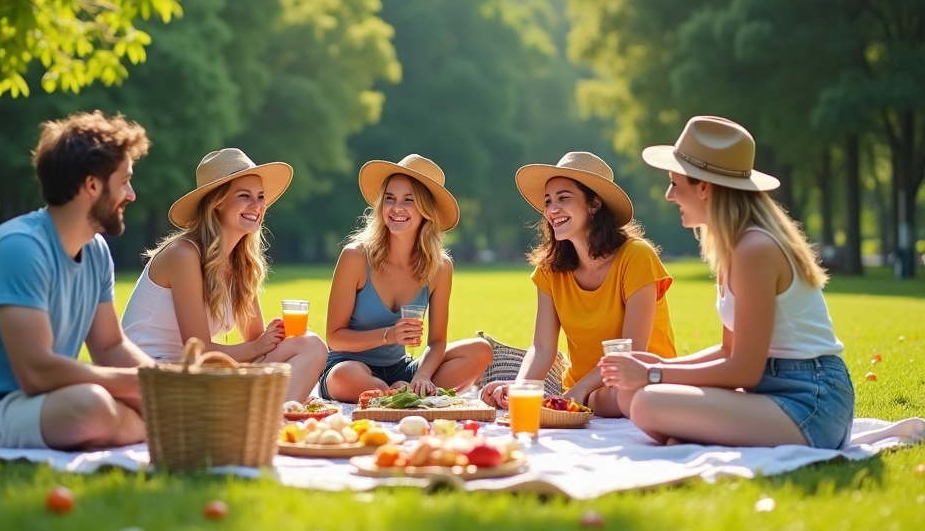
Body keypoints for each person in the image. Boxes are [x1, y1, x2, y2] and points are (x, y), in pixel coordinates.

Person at [600, 116, 854, 448]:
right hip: (768, 390)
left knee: (648, 401)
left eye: (675, 183)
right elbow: (728, 350)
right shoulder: (734, 247)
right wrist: (661, 365)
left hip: (812, 400)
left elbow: (744, 370)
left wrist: (654, 374)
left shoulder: (755, 250)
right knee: (633, 395)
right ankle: (698, 432)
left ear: (704, 188)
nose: (669, 195)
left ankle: (696, 433)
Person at [0, 111, 153, 450]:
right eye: (124, 181)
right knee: (90, 406)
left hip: (44, 403)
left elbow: (110, 346)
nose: (131, 194)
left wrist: (165, 383)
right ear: (92, 184)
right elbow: (36, 372)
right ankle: (153, 428)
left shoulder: (95, 251)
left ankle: (141, 423)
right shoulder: (20, 248)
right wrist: (142, 387)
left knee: (111, 401)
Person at [121, 148, 327, 402]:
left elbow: (257, 344)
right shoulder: (183, 255)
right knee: (279, 372)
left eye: (260, 197)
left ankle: (274, 418)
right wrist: (259, 346)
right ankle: (272, 419)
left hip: (199, 374)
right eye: (244, 196)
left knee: (311, 344)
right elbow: (198, 351)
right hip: (155, 375)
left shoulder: (242, 263)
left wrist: (275, 337)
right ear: (217, 202)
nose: (257, 205)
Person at [481, 152, 677, 416]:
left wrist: (576, 393)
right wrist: (522, 388)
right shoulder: (550, 269)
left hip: (635, 381)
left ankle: (565, 402)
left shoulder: (637, 256)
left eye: (564, 198)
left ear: (594, 204)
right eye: (548, 201)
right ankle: (565, 402)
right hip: (586, 390)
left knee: (627, 394)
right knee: (613, 398)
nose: (552, 210)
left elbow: (631, 351)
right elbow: (542, 347)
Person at [320, 154, 493, 402]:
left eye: (408, 200)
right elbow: (335, 338)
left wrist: (421, 376)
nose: (396, 208)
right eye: (390, 198)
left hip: (403, 369)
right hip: (350, 366)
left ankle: (403, 391)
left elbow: (437, 342)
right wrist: (390, 335)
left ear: (426, 210)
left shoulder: (440, 267)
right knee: (344, 376)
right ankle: (399, 393)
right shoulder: (356, 257)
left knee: (480, 351)